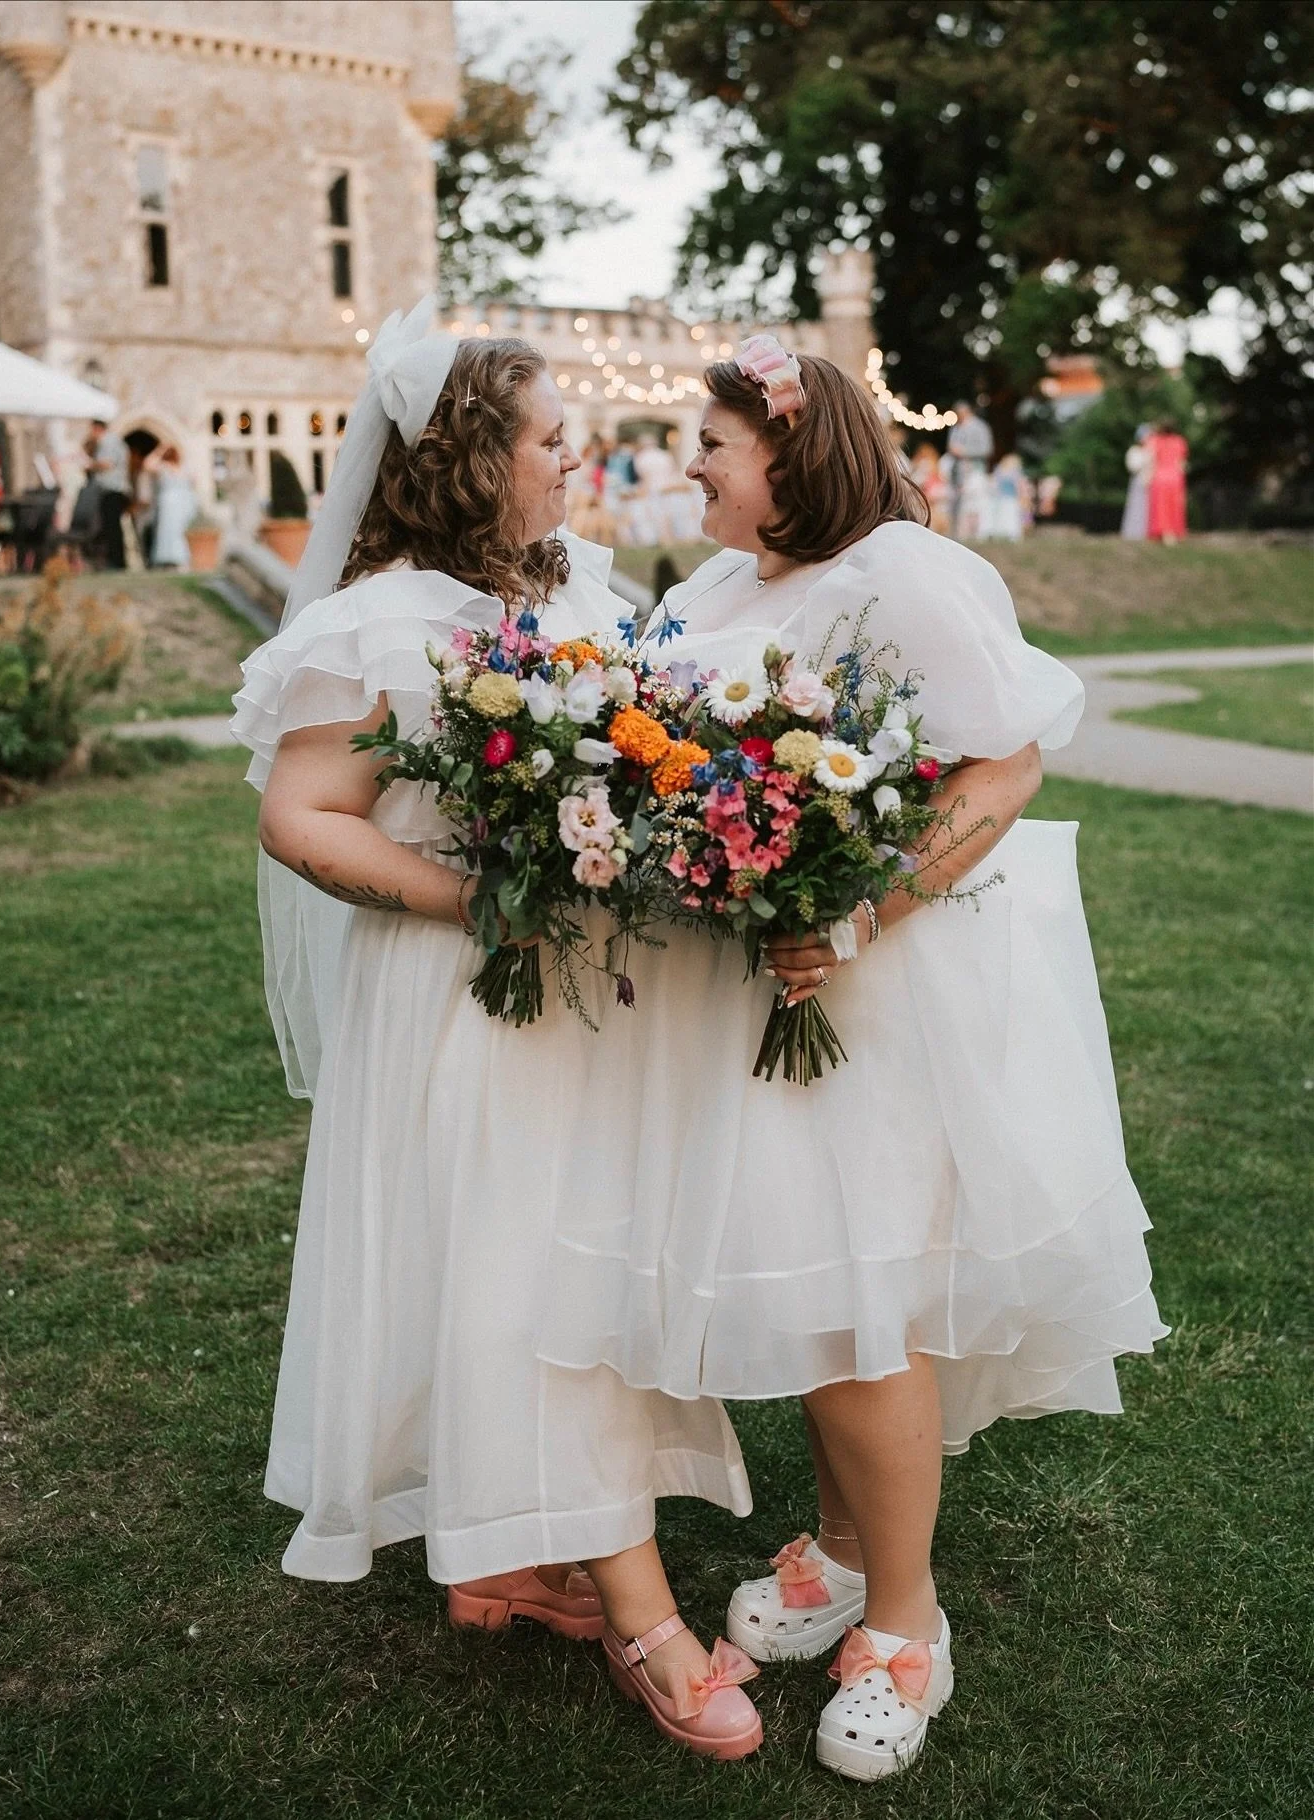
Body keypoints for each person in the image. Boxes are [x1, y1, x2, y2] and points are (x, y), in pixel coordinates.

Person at [537, 339, 1166, 1783]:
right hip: (733, 997)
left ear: (792, 448)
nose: (688, 463)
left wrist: (856, 910)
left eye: (711, 439)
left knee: (861, 1302)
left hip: (867, 993)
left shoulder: (906, 576)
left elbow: (1002, 765)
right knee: (810, 1288)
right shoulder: (709, 591)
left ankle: (905, 1622)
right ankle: (827, 1552)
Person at [229, 299, 764, 1762]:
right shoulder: (371, 625)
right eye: (545, 436)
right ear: (469, 457)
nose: (572, 454)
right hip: (461, 993)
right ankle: (645, 1618)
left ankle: (507, 1560)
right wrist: (472, 900)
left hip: (595, 999)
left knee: (567, 1266)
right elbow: (300, 818)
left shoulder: (583, 595)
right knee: (531, 1277)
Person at [86, 418, 131, 569]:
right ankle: (114, 560)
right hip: (113, 489)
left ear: (96, 429)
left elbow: (108, 463)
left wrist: (89, 464)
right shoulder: (112, 441)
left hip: (112, 489)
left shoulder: (108, 442)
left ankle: (116, 562)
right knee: (111, 526)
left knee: (112, 527)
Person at [946, 400, 993, 540]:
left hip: (974, 471)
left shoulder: (980, 427)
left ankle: (978, 533)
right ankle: (958, 533)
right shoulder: (955, 428)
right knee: (957, 503)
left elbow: (986, 449)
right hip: (957, 472)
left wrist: (964, 452)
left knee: (975, 503)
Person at [145, 445, 198, 568]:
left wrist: (158, 451)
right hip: (184, 502)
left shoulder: (164, 468)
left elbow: (147, 464)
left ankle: (173, 558)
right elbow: (194, 483)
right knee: (176, 531)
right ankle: (178, 559)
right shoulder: (183, 469)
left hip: (170, 503)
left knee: (171, 530)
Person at [1145, 419, 1188, 543]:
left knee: (1161, 508)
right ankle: (1172, 533)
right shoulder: (1180, 442)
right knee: (1174, 506)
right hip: (1175, 478)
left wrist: (1148, 477)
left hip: (1159, 478)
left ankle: (1164, 533)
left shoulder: (1155, 441)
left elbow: (1151, 461)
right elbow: (1181, 464)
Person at [983, 451, 1029, 541]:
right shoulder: (1011, 472)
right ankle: (1008, 534)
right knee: (1007, 516)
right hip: (1006, 498)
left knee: (1007, 516)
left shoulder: (1002, 471)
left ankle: (1009, 534)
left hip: (1007, 498)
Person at [1120, 424, 1153, 539]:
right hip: (1139, 482)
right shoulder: (1134, 451)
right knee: (1137, 508)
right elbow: (1133, 467)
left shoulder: (1152, 451)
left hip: (1150, 482)